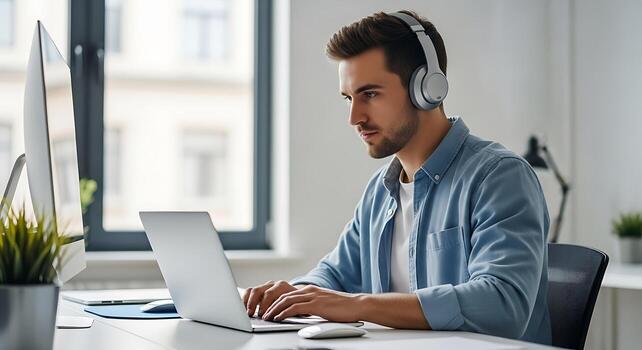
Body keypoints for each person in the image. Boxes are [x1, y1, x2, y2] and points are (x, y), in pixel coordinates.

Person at [242, 10, 551, 345]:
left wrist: (357, 305)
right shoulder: (380, 191)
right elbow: (335, 275)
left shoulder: (499, 177)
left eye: (370, 94)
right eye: (349, 98)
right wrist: (290, 295)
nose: (354, 117)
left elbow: (501, 305)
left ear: (427, 89)